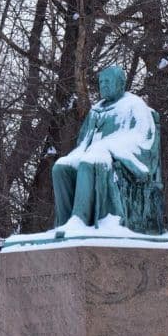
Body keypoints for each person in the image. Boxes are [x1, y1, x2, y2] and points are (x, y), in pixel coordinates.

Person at [52, 65, 162, 232]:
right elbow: (83, 142)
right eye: (101, 82)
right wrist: (89, 150)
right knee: (61, 167)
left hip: (119, 159)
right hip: (92, 154)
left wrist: (108, 147)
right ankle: (65, 223)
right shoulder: (96, 110)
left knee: (90, 161)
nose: (103, 85)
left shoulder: (134, 105)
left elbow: (143, 140)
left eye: (107, 81)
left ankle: (79, 220)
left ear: (120, 83)